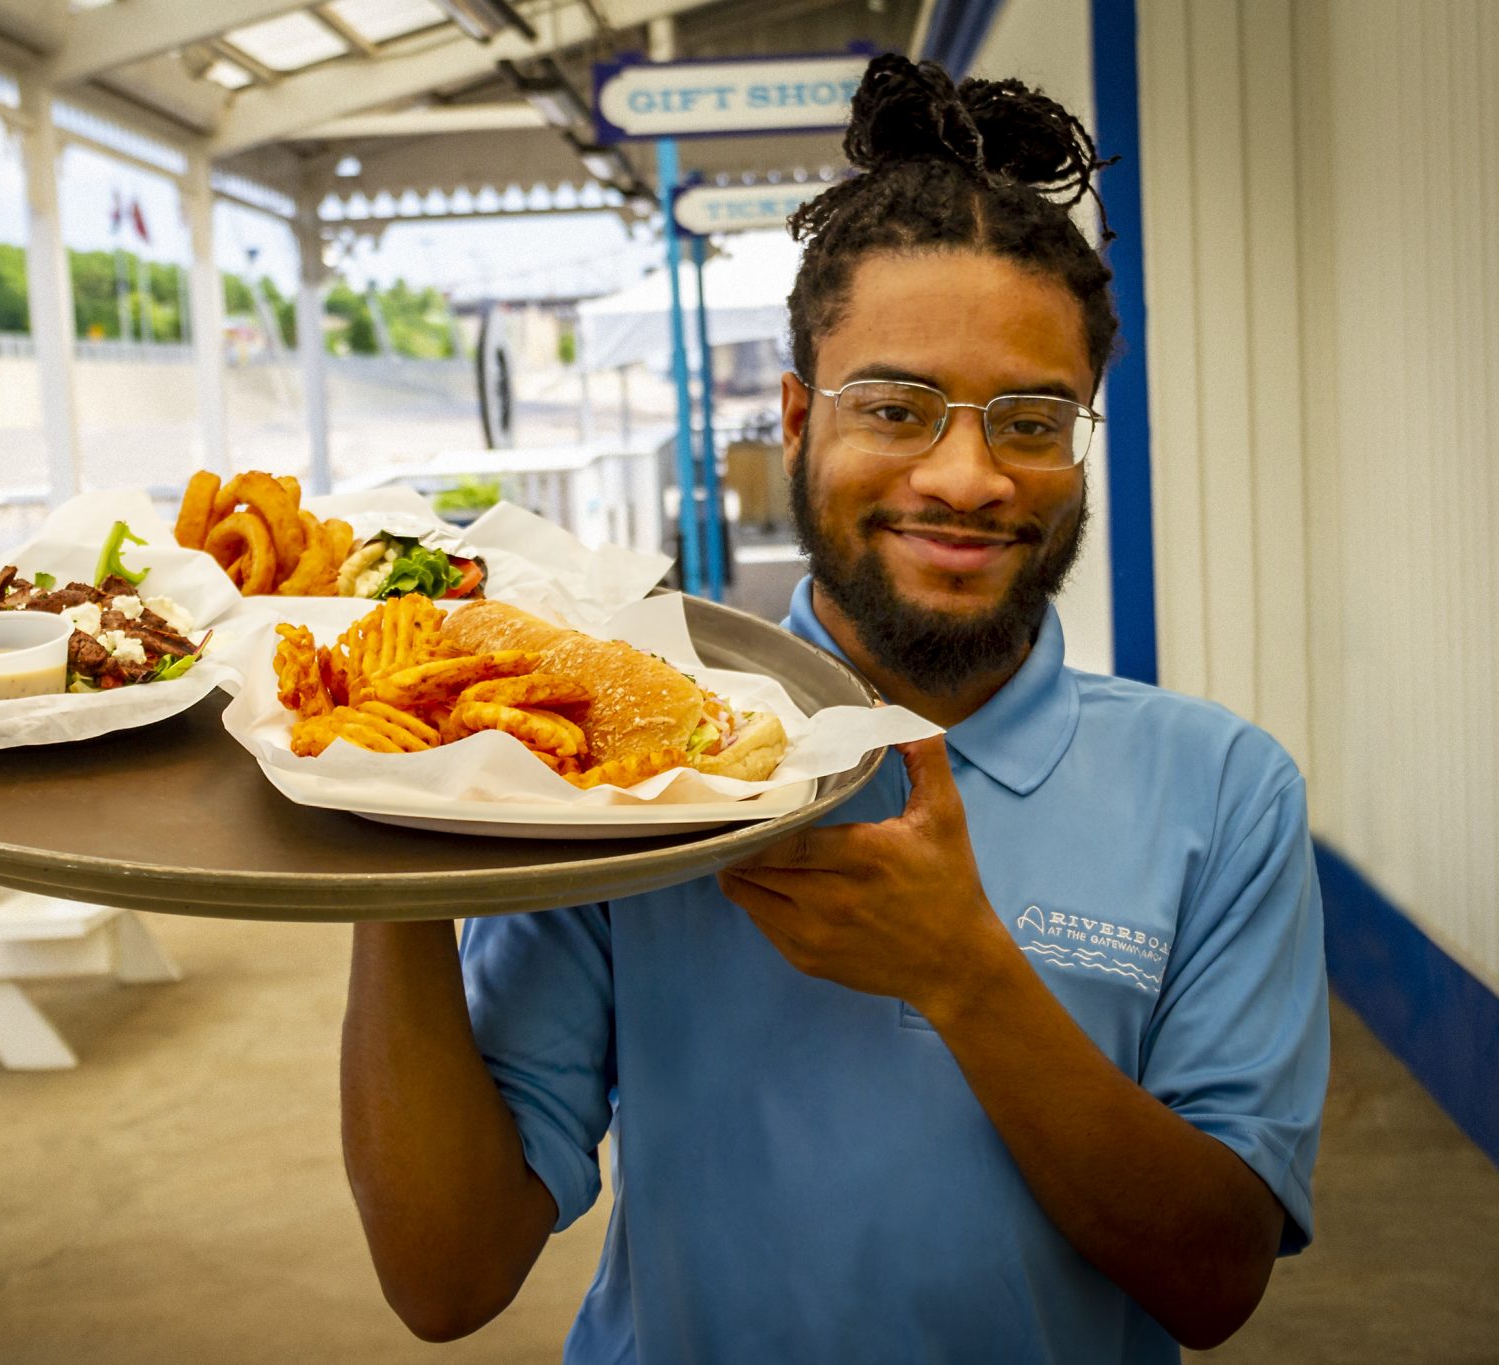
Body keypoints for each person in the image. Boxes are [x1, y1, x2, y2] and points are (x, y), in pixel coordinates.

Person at [339, 54, 1328, 1364]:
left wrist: (965, 970)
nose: (967, 476)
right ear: (799, 419)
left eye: (1031, 419)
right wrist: (374, 832)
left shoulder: (1219, 791)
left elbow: (1215, 1281)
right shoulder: (620, 762)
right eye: (897, 407)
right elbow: (445, 1272)